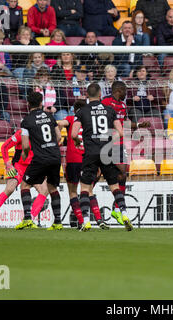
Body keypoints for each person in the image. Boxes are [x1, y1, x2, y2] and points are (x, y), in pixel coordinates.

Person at [71, 83, 133, 231]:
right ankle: (124, 213)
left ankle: (86, 220)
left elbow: (74, 134)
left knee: (85, 187)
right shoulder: (110, 110)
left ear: (87, 95)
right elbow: (121, 132)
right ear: (100, 95)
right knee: (114, 186)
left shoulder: (81, 111)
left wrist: (77, 141)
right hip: (107, 151)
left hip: (90, 152)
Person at [101, 81, 150, 226]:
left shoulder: (123, 106)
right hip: (105, 142)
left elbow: (124, 123)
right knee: (96, 175)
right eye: (125, 91)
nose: (126, 94)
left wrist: (140, 125)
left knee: (123, 173)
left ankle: (117, 208)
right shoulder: (105, 102)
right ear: (119, 90)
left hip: (119, 143)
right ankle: (86, 202)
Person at [57, 99, 109, 230]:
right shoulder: (90, 119)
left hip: (73, 159)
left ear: (74, 110)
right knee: (89, 190)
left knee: (73, 192)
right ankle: (98, 219)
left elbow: (59, 123)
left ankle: (82, 221)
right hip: (87, 158)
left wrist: (58, 137)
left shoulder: (71, 118)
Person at [19, 91, 63, 230]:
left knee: (25, 185)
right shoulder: (50, 116)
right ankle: (58, 222)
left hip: (40, 158)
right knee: (52, 188)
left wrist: (25, 155)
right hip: (55, 157)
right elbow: (59, 137)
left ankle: (27, 218)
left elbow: (25, 145)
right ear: (40, 103)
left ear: (28, 104)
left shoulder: (26, 121)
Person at [0, 128, 45, 229]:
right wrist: (8, 164)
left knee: (43, 190)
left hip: (32, 168)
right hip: (18, 166)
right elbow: (4, 147)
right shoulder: (21, 133)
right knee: (10, 188)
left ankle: (29, 219)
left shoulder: (41, 133)